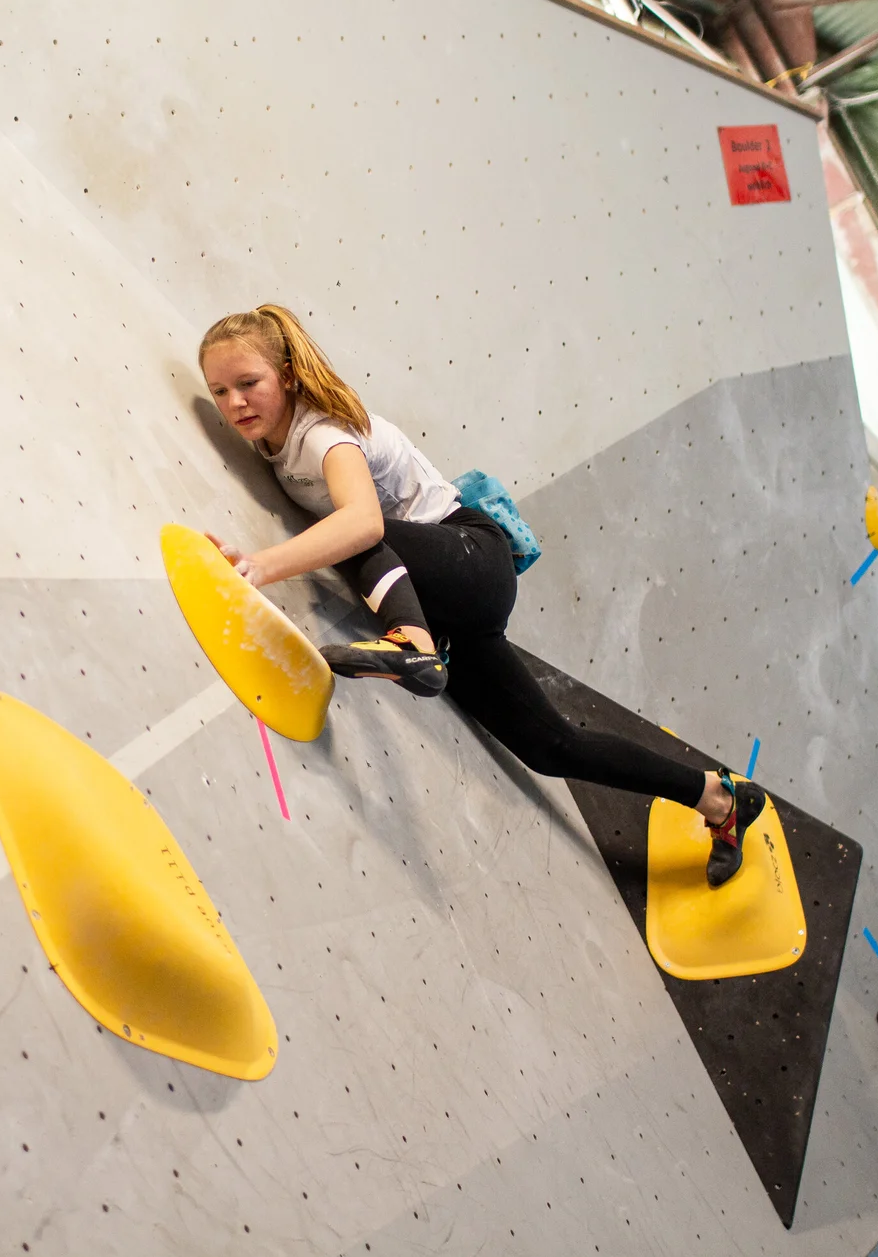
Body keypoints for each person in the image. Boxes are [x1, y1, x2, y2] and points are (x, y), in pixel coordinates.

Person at [198, 304, 766, 887]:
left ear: (287, 376)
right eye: (220, 390)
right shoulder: (274, 436)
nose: (235, 402)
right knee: (551, 746)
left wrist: (258, 567)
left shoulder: (321, 434)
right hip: (442, 601)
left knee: (351, 528)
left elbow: (366, 527)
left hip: (471, 557)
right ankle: (719, 800)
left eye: (249, 383)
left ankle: (412, 645)